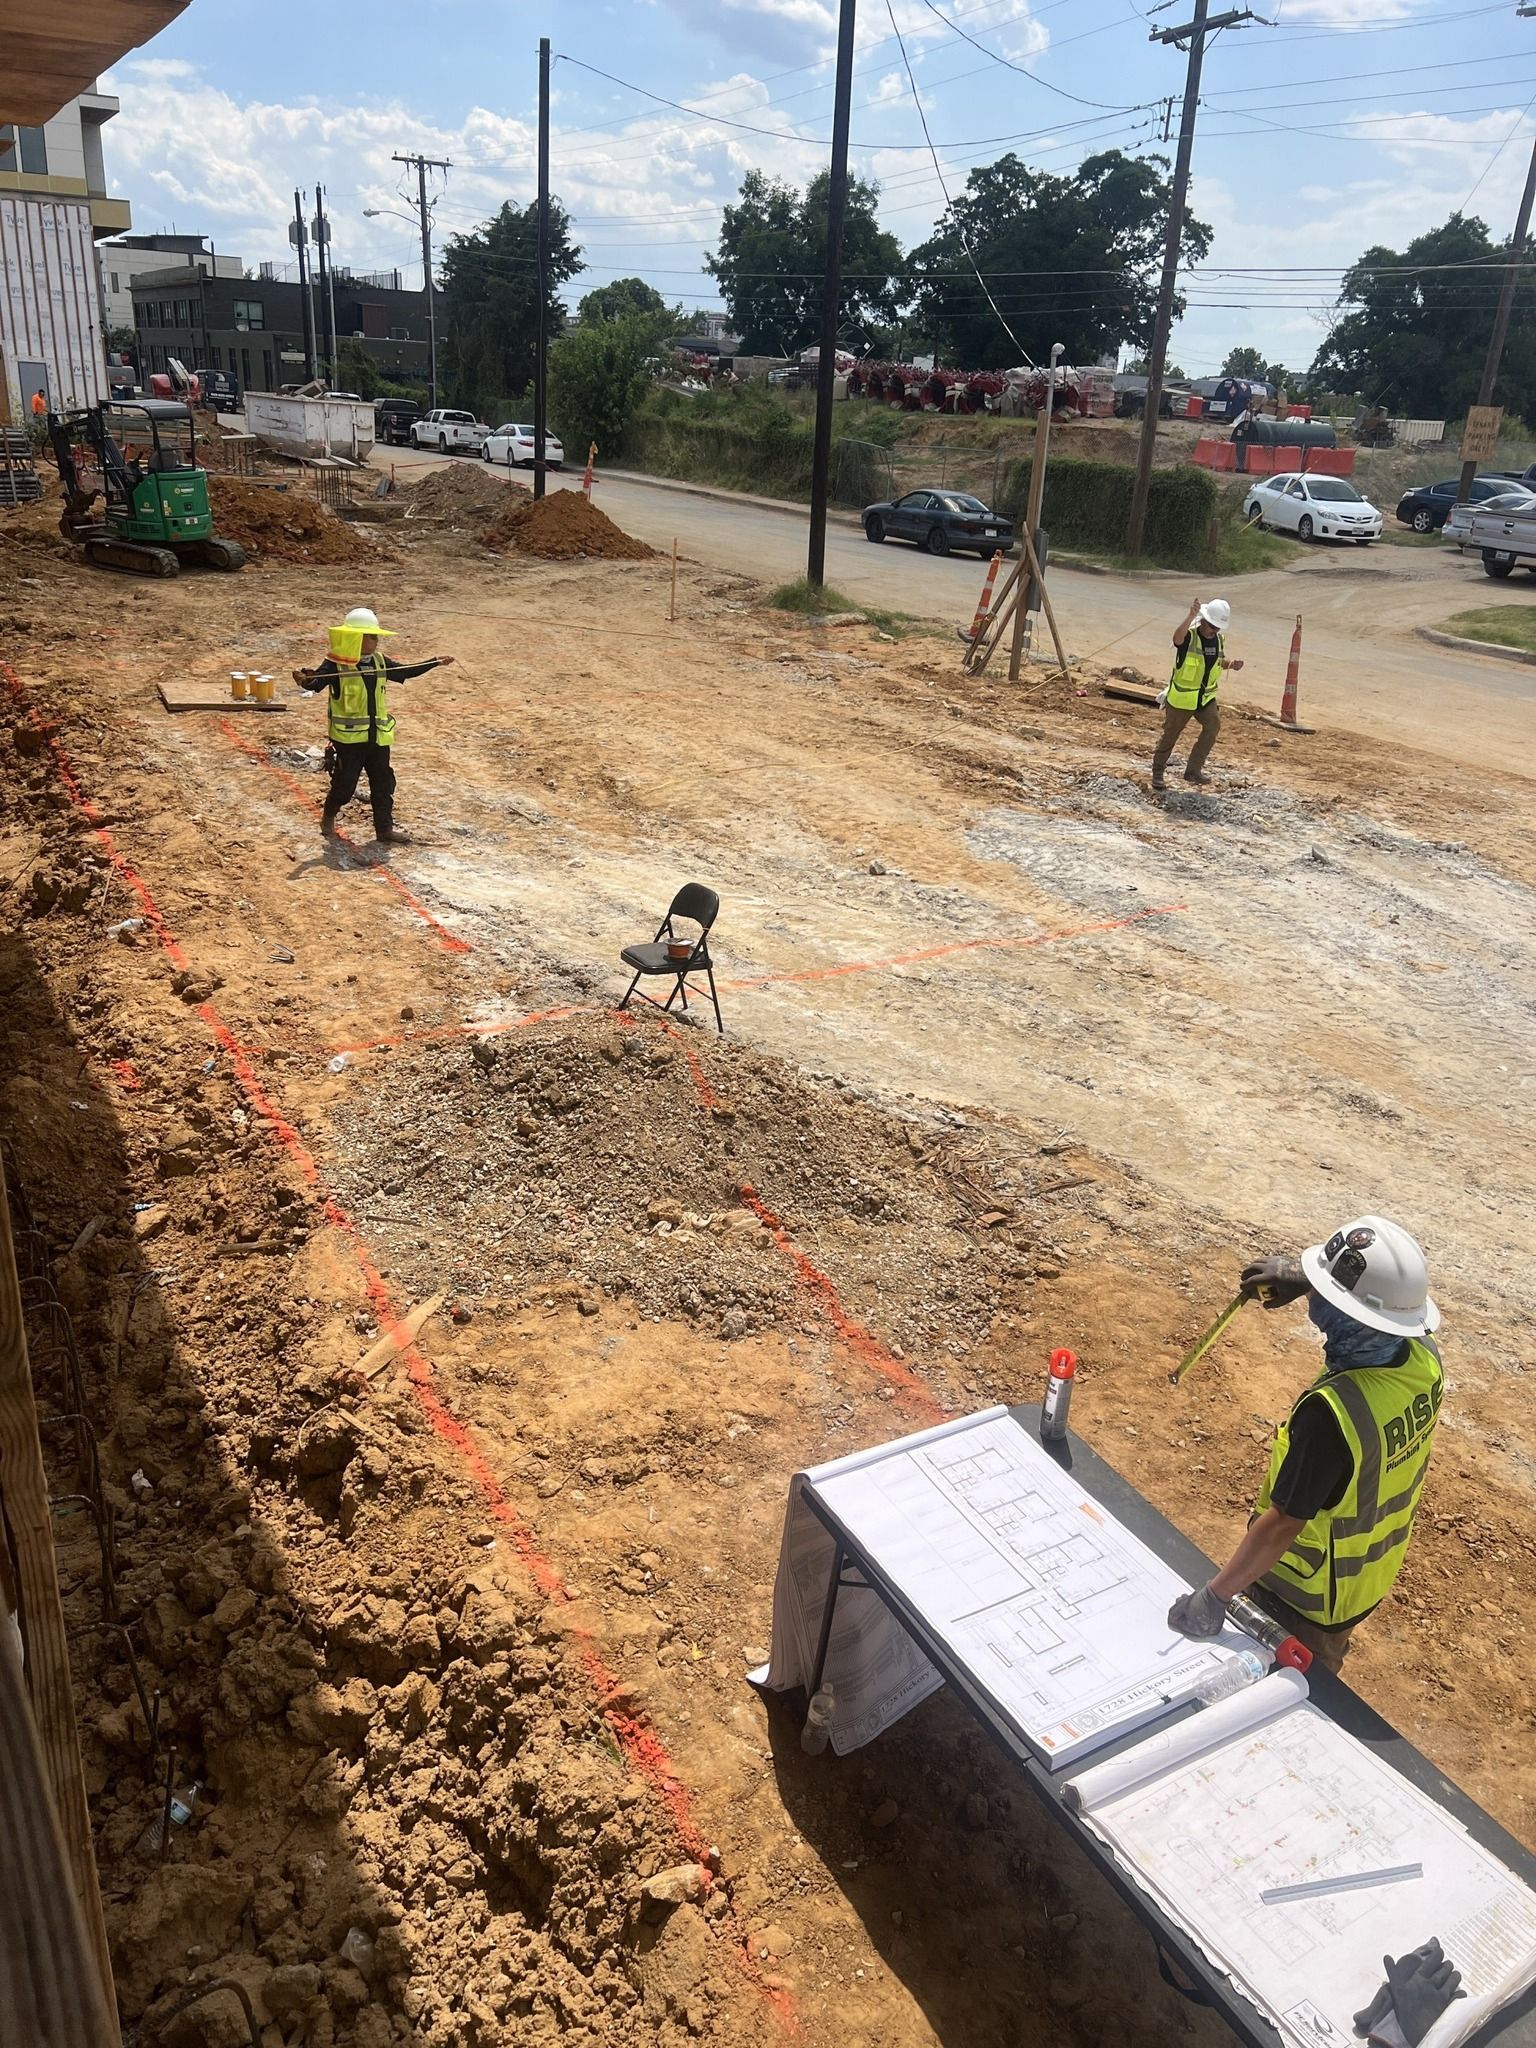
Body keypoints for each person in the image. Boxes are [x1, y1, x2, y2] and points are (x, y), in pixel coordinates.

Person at [1168, 1215, 1444, 1675]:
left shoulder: (1331, 1418)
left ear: (1350, 1315)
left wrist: (1215, 1597)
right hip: (1370, 1570)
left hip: (1308, 1594)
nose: (1314, 1300)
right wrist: (1305, 1278)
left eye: (1324, 1295)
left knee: (1287, 1700)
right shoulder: (1421, 1357)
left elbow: (1281, 1527)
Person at [293, 606, 454, 846]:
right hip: (348, 741)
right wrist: (306, 680)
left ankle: (384, 830)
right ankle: (328, 816)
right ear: (356, 637)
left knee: (383, 784)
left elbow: (404, 671)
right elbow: (315, 682)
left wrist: (433, 663)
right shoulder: (335, 664)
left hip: (377, 738)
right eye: (372, 636)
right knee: (345, 785)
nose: (377, 641)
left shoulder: (379, 661)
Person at [1152, 596, 1243, 792]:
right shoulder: (1190, 637)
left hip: (1205, 698)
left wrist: (1231, 665)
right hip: (1182, 699)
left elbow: (1217, 662)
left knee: (1213, 727)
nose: (1214, 630)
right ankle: (1158, 772)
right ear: (1203, 620)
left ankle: (1193, 770)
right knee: (1171, 735)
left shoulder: (1218, 640)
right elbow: (1176, 639)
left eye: (1217, 628)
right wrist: (1190, 615)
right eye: (1211, 626)